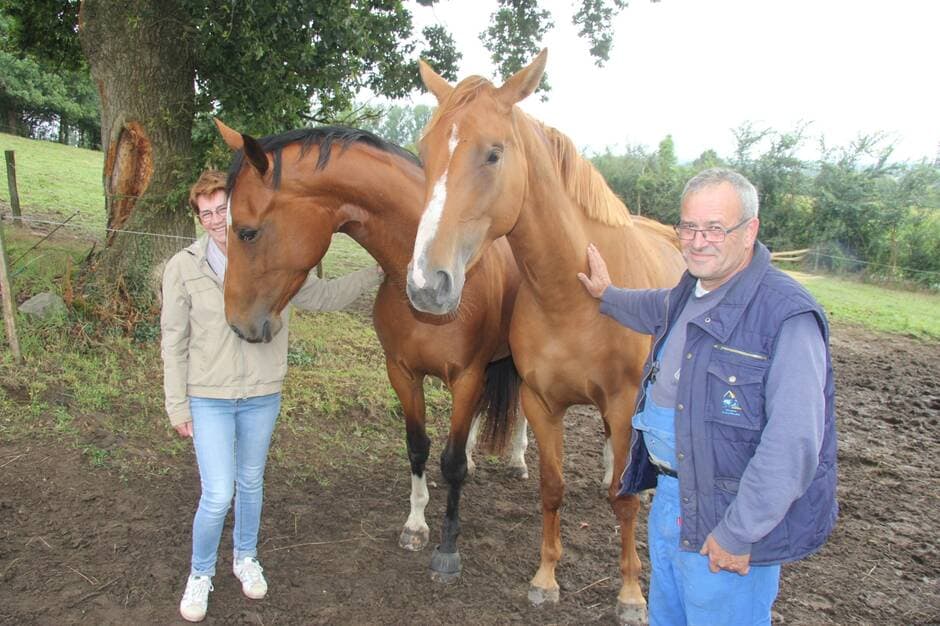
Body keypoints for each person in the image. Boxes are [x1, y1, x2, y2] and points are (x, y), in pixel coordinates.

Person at [577, 168, 837, 625]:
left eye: (715, 228)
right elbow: (652, 307)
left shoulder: (785, 315)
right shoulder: (689, 292)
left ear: (749, 230)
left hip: (725, 516)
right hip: (672, 501)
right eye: (689, 227)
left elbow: (794, 441)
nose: (697, 241)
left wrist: (740, 532)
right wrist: (607, 294)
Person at [161, 170, 382, 622]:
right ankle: (200, 574)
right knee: (218, 493)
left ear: (236, 207)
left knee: (250, 482)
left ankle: (245, 558)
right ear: (197, 219)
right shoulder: (184, 267)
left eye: (222, 209)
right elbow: (172, 340)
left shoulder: (271, 257)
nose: (216, 220)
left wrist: (376, 271)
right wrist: (176, 404)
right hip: (209, 397)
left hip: (262, 393)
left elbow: (323, 296)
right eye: (206, 213)